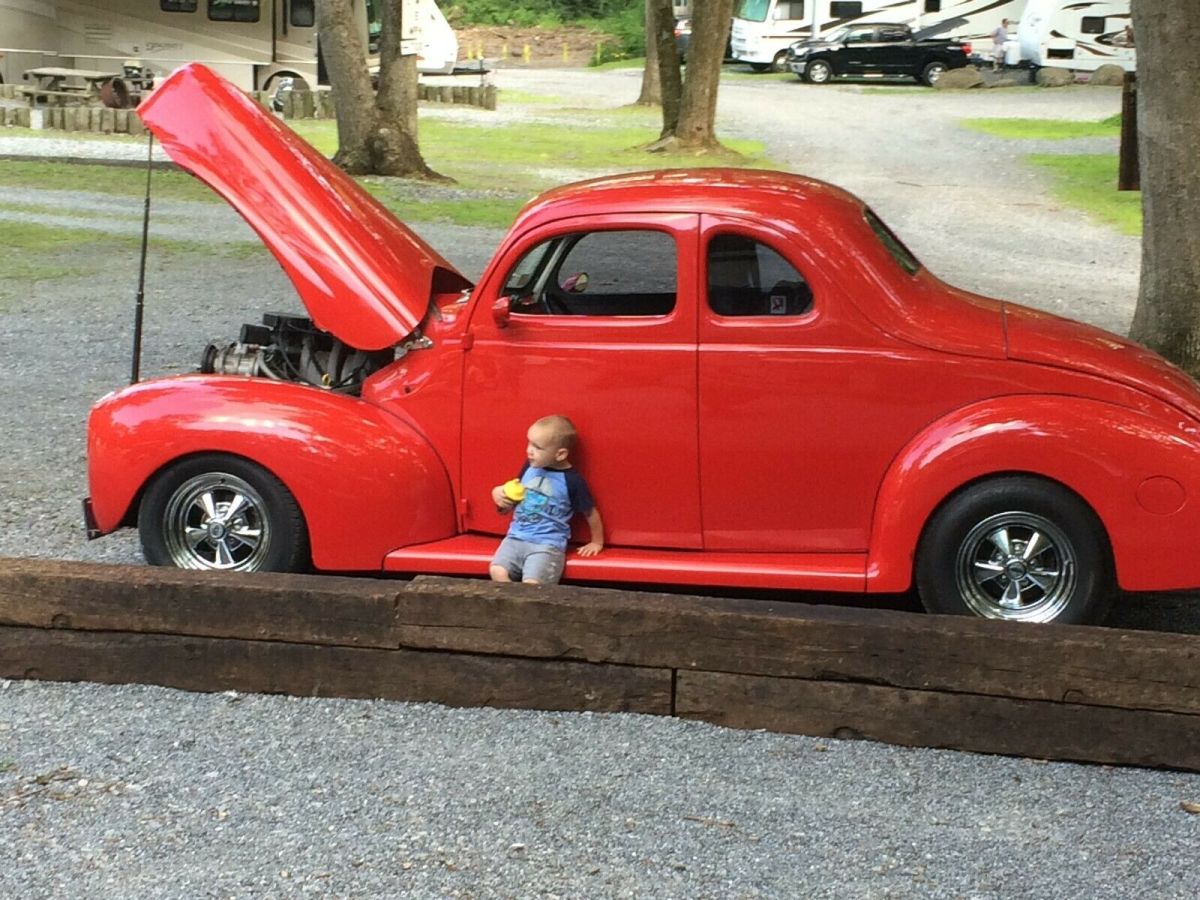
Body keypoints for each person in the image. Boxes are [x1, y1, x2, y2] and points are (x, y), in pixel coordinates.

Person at [489, 414, 604, 585]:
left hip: (547, 544)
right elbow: (514, 499)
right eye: (529, 443)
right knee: (496, 570)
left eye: (537, 447)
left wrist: (597, 542)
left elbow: (590, 512)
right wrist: (498, 495)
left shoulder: (572, 480)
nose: (529, 450)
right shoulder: (529, 467)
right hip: (515, 538)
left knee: (533, 583)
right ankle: (515, 603)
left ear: (560, 454)